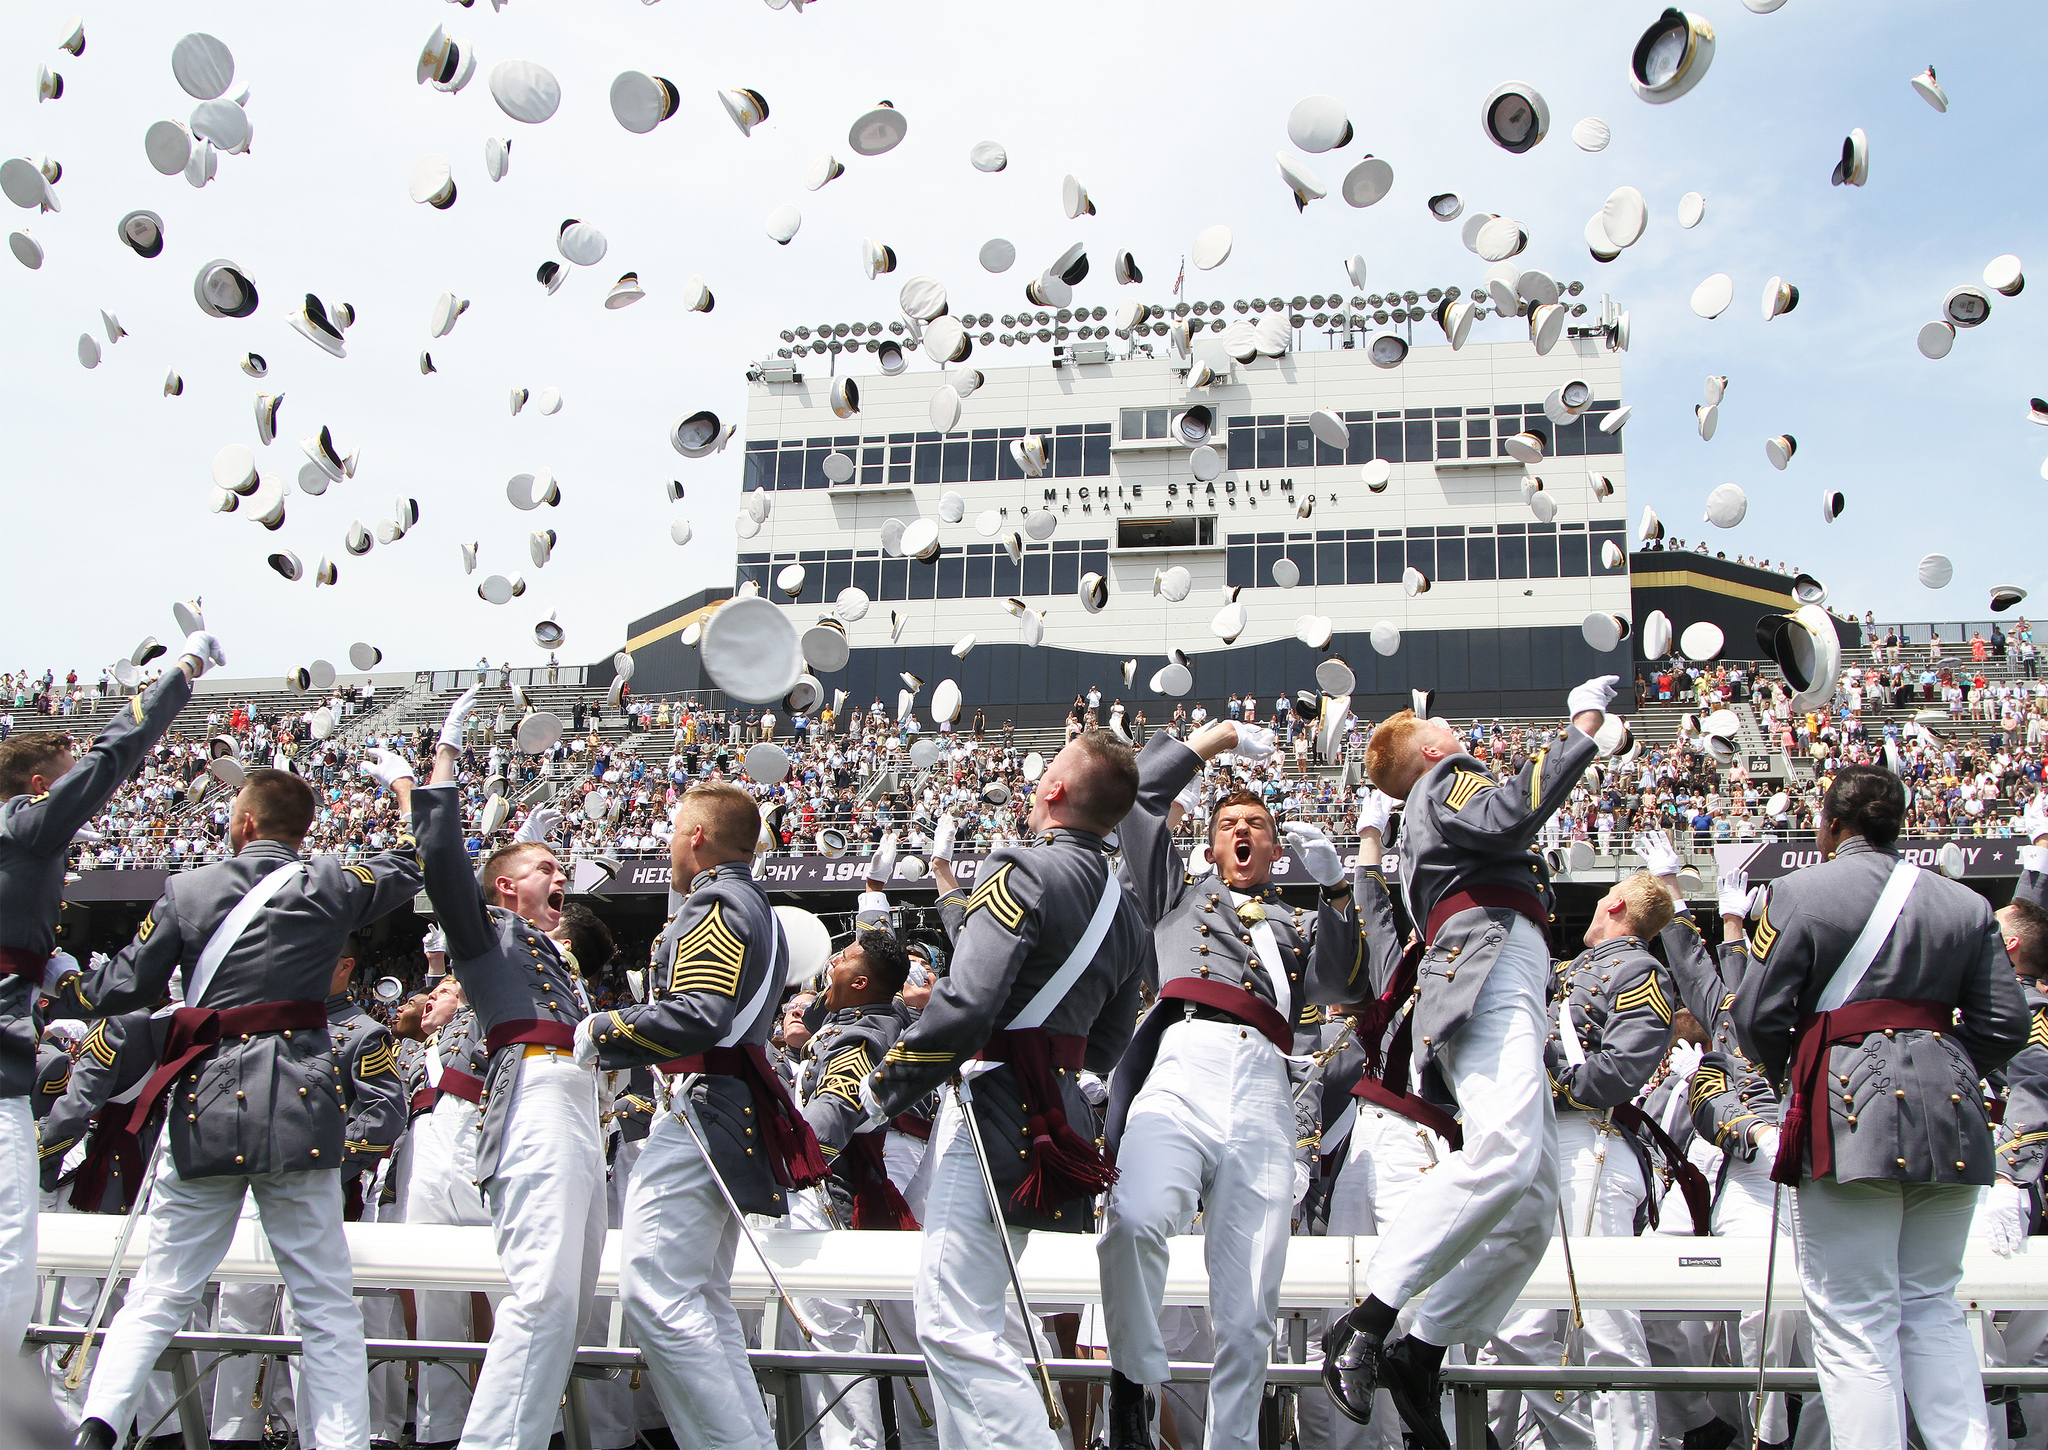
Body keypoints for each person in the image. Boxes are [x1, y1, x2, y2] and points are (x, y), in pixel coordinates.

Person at [49, 761, 421, 1450]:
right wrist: (403, 786)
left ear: (245, 822)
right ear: (302, 828)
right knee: (323, 1304)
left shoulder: (188, 888)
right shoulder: (331, 881)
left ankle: (99, 1428)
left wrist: (55, 976)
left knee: (161, 1288)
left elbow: (125, 988)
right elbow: (418, 853)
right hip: (299, 1110)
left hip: (208, 1106)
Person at [1324, 675, 1617, 1444]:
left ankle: (1420, 1348)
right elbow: (1511, 806)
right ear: (1431, 750)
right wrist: (1580, 720)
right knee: (1508, 1154)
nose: (1456, 731)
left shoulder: (1429, 795)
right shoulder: (1451, 778)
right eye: (1442, 726)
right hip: (1489, 956)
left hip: (1491, 958)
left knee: (1529, 1207)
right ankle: (1368, 1322)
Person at [861, 730, 1151, 1450]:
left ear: (1054, 791)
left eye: (1045, 772)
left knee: (953, 1323)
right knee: (976, 1318)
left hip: (993, 1109)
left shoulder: (1019, 866)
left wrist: (882, 1089)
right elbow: (1108, 1044)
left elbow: (966, 1003)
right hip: (1053, 1116)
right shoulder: (1128, 912)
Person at [1734, 764, 2027, 1447]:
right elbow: (2006, 1025)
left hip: (1848, 1117)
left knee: (1854, 1320)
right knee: (1932, 1308)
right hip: (1951, 1115)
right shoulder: (1966, 905)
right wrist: (1940, 1069)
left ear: (1831, 825)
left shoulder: (1794, 892)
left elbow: (1755, 1018)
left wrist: (1809, 1075)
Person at [1097, 718, 1359, 1450]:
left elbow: (1348, 984)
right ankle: (1132, 1388)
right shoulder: (1175, 895)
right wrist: (1212, 742)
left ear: (1275, 849)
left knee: (1248, 1304)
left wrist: (1338, 886)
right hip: (1185, 1057)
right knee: (1140, 1217)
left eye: (1258, 825)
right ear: (1211, 845)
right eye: (1230, 825)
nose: (1244, 832)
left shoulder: (1300, 921)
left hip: (1264, 1086)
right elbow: (1140, 800)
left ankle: (1234, 1442)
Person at [575, 781, 825, 1450]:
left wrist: (601, 1032)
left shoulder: (717, 901)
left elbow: (698, 1016)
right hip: (720, 1107)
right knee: (703, 1300)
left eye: (673, 830)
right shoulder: (754, 904)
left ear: (697, 837)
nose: (667, 844)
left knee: (655, 1292)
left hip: (703, 1107)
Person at [0, 626, 221, 1355]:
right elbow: (114, 755)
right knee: (9, 1252)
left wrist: (45, 964)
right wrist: (183, 670)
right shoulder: (29, 827)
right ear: (40, 789)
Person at [413, 691, 606, 1450]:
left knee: (571, 1297)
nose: (562, 875)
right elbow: (438, 858)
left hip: (577, 1103)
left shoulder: (557, 954)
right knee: (543, 1296)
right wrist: (447, 759)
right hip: (533, 1094)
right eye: (545, 868)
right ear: (504, 888)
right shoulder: (486, 935)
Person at [1480, 872, 1677, 1450]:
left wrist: (1548, 1082)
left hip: (1587, 1143)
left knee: (1607, 1321)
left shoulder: (1640, 970)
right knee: (1519, 1325)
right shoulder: (1566, 971)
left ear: (1615, 903)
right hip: (1538, 1140)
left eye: (1598, 900)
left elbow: (1621, 1067)